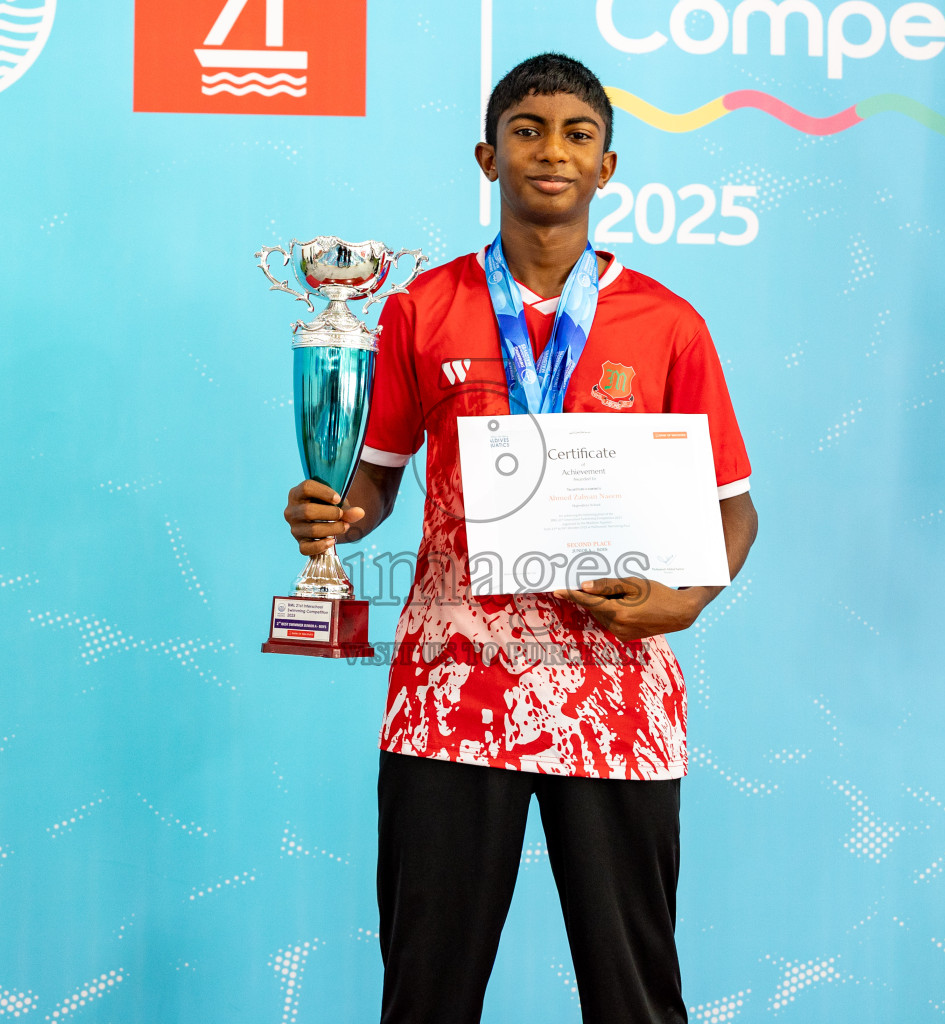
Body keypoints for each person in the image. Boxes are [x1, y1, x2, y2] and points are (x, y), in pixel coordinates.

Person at [282, 52, 758, 1024]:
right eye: (527, 131)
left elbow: (734, 507)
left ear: (608, 167)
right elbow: (374, 479)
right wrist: (333, 509)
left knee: (636, 998)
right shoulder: (422, 308)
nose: (552, 151)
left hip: (614, 696)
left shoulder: (669, 325)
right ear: (487, 157)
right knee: (427, 991)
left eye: (578, 135)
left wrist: (687, 598)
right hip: (452, 690)